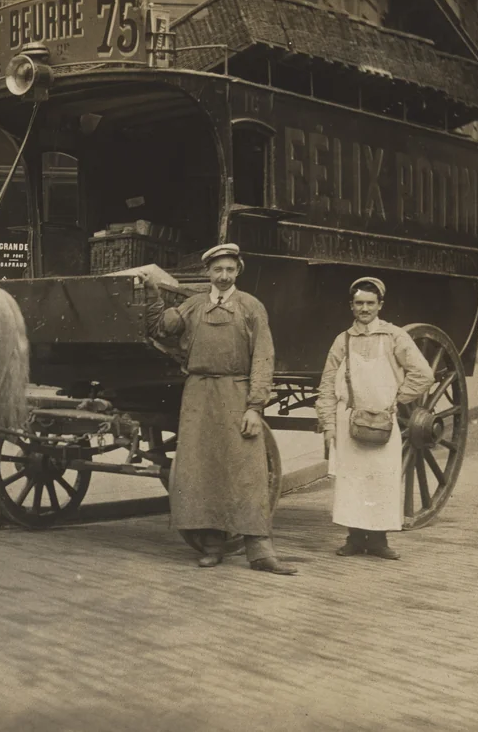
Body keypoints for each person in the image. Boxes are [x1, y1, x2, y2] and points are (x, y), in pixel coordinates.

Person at [146, 243, 297, 575]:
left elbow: (263, 358)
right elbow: (164, 328)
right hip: (198, 395)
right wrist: (153, 294)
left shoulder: (251, 307)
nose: (224, 276)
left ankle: (260, 550)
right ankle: (212, 545)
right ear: (207, 273)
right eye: (218, 270)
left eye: (230, 269)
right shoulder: (194, 305)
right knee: (203, 469)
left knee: (248, 469)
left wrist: (255, 406)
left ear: (237, 271)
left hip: (237, 393)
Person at [316, 276, 435, 560]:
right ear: (351, 306)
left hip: (383, 422)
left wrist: (397, 398)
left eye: (370, 303)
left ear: (380, 305)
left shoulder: (394, 337)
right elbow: (327, 384)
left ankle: (379, 541)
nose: (364, 309)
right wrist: (329, 425)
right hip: (349, 422)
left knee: (382, 479)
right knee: (351, 481)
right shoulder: (342, 341)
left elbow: (424, 374)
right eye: (359, 303)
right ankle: (354, 539)